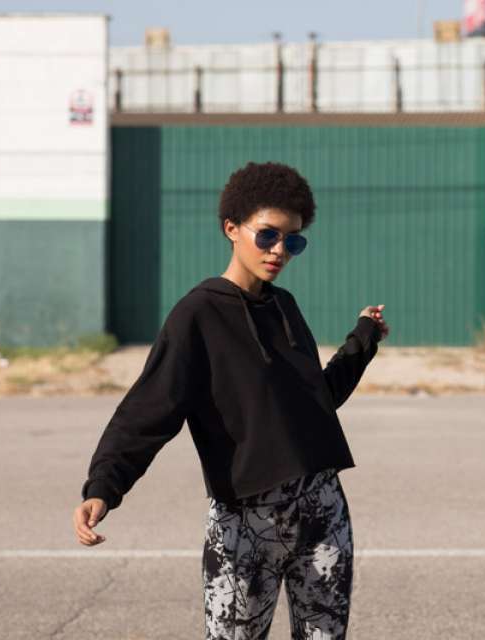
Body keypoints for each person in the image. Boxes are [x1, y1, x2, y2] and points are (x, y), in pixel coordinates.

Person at [72, 160, 390, 639]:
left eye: (293, 241)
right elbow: (148, 410)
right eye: (268, 235)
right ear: (231, 228)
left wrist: (362, 341)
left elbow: (316, 403)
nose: (279, 250)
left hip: (321, 512)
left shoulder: (284, 307)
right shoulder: (197, 315)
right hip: (244, 524)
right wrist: (103, 486)